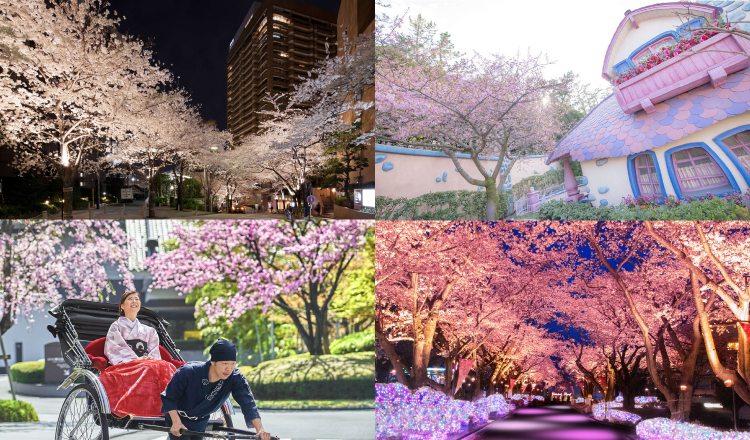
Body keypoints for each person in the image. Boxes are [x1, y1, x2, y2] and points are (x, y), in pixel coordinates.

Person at [161, 338, 272, 440]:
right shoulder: (189, 372)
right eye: (225, 363)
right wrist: (176, 422)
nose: (229, 369)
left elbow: (248, 402)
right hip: (178, 418)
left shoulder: (235, 377)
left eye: (233, 364)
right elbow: (169, 397)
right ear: (213, 362)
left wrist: (260, 430)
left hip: (201, 421)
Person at [100, 291, 177, 417]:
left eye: (137, 299)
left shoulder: (149, 330)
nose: (134, 301)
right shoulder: (116, 326)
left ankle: (172, 407)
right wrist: (136, 359)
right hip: (126, 365)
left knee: (166, 366)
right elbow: (114, 348)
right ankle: (145, 410)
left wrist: (149, 358)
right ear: (122, 306)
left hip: (146, 362)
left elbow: (154, 350)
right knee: (150, 367)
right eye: (130, 299)